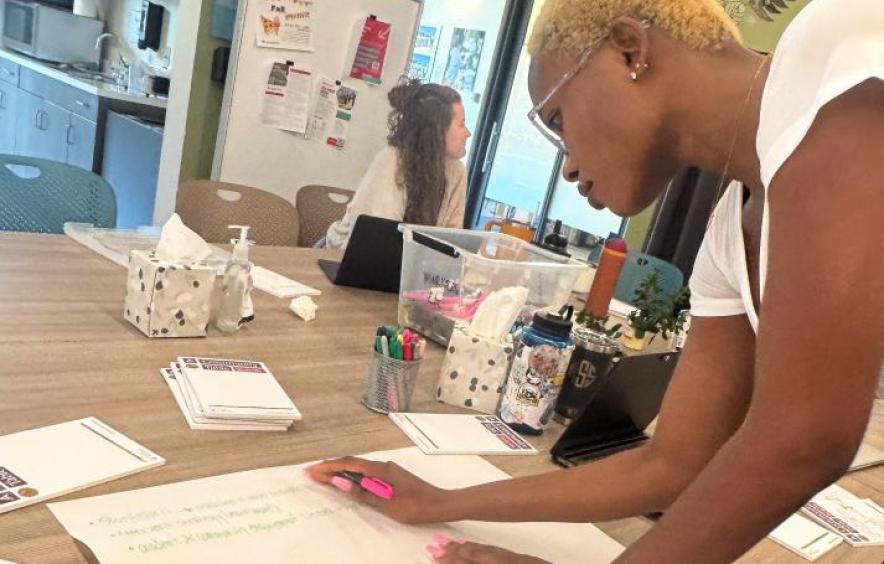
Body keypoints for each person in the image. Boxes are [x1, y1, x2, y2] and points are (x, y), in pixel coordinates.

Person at [309, 0, 884, 562]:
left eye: (557, 120)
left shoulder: (831, 52)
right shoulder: (730, 232)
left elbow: (804, 439)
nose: (566, 165)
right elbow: (672, 465)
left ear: (630, 50)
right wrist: (440, 502)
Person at [322, 80, 470, 250]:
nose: (468, 133)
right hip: (340, 256)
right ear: (437, 129)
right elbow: (373, 243)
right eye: (461, 124)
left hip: (403, 267)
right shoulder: (392, 161)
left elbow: (451, 244)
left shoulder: (457, 172)